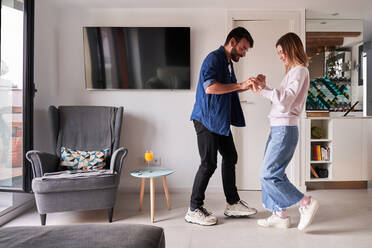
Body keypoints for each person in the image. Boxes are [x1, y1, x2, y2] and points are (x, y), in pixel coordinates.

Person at [185, 27, 258, 226]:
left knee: (230, 156)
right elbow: (210, 87)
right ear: (232, 41)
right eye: (243, 49)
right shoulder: (214, 58)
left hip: (219, 120)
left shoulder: (227, 63)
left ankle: (232, 204)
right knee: (208, 163)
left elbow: (229, 90)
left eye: (246, 51)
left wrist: (249, 84)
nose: (243, 54)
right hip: (206, 119)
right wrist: (240, 85)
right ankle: (193, 209)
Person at [251, 32, 319, 230]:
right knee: (275, 173)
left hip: (284, 130)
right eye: (278, 53)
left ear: (292, 48)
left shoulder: (299, 71)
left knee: (267, 174)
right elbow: (283, 99)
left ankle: (305, 202)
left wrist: (262, 91)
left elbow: (284, 102)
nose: (280, 56)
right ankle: (280, 214)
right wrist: (265, 87)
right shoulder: (294, 72)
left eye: (282, 51)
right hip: (279, 129)